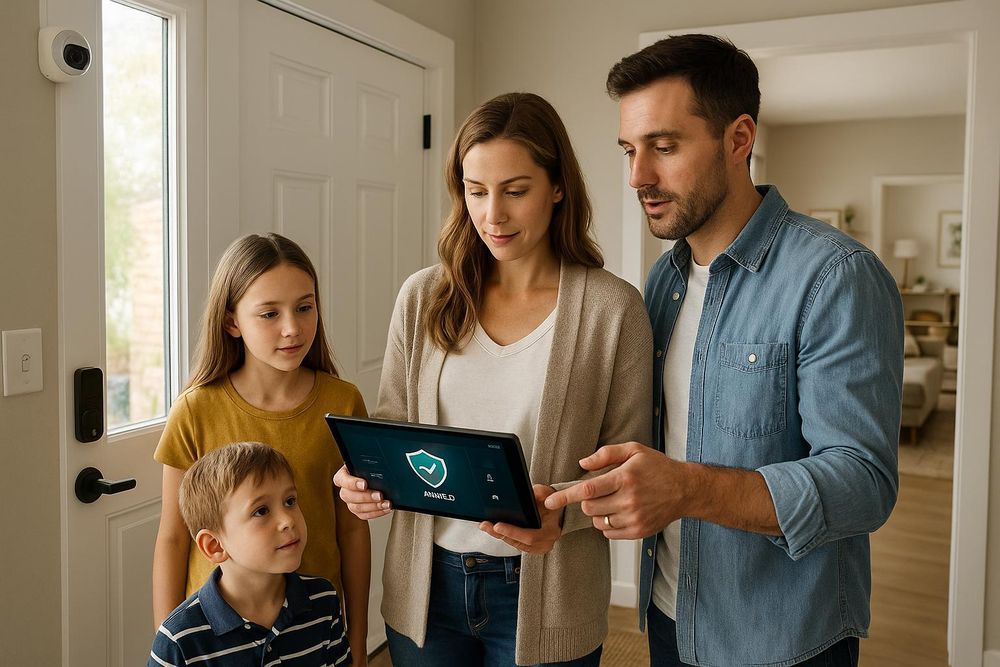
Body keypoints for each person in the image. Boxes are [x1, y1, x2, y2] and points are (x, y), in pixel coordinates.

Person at [544, 34, 903, 666]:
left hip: (782, 639)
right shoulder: (663, 283)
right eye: (630, 150)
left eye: (664, 147)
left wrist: (686, 489)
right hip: (669, 616)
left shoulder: (835, 276)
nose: (638, 177)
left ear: (739, 140)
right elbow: (649, 447)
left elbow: (863, 483)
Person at [334, 92, 653, 666]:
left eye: (515, 190)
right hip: (426, 588)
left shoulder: (614, 311)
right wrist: (366, 478)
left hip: (548, 591)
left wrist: (562, 514)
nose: (493, 215)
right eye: (476, 191)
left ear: (558, 187)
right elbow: (391, 424)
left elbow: (629, 467)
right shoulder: (423, 297)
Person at [151, 233, 370, 664]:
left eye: (304, 307)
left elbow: (351, 530)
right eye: (269, 313)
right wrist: (169, 641)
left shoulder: (343, 404)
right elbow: (174, 537)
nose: (292, 328)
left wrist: (358, 640)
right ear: (232, 321)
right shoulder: (195, 410)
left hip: (311, 632)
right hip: (217, 638)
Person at [149, 442, 352, 666]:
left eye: (290, 501)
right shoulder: (179, 639)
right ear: (214, 545)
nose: (287, 520)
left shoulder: (324, 601)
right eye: (261, 511)